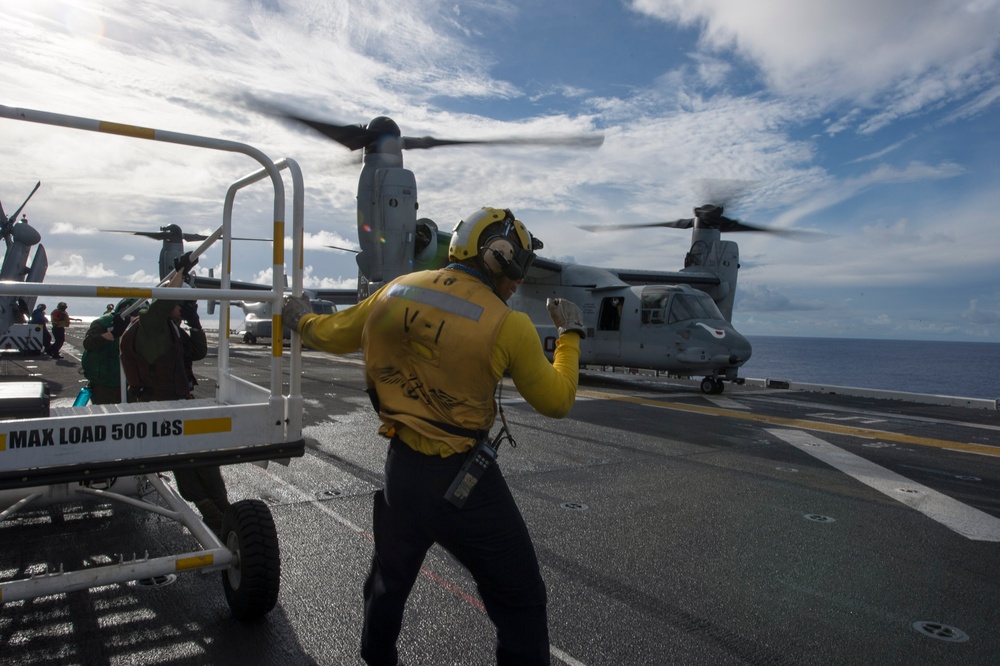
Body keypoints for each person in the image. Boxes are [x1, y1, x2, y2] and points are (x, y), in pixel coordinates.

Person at [283, 207, 585, 665]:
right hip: (464, 485)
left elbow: (331, 333)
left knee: (388, 582)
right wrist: (571, 335)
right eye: (518, 265)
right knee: (521, 600)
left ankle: (377, 658)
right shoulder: (509, 324)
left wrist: (301, 319)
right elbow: (558, 401)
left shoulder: (394, 291)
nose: (519, 280)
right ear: (497, 256)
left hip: (401, 471)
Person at [120, 257, 230, 535]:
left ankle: (221, 514)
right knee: (192, 467)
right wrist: (180, 273)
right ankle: (218, 518)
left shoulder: (170, 331)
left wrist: (194, 322)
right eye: (182, 305)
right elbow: (165, 301)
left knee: (201, 463)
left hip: (178, 405)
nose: (184, 307)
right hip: (164, 408)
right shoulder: (152, 328)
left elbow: (198, 352)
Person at [81, 299, 137, 405]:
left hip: (131, 382)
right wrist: (113, 333)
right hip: (105, 382)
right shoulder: (104, 322)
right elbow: (89, 343)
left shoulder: (142, 326)